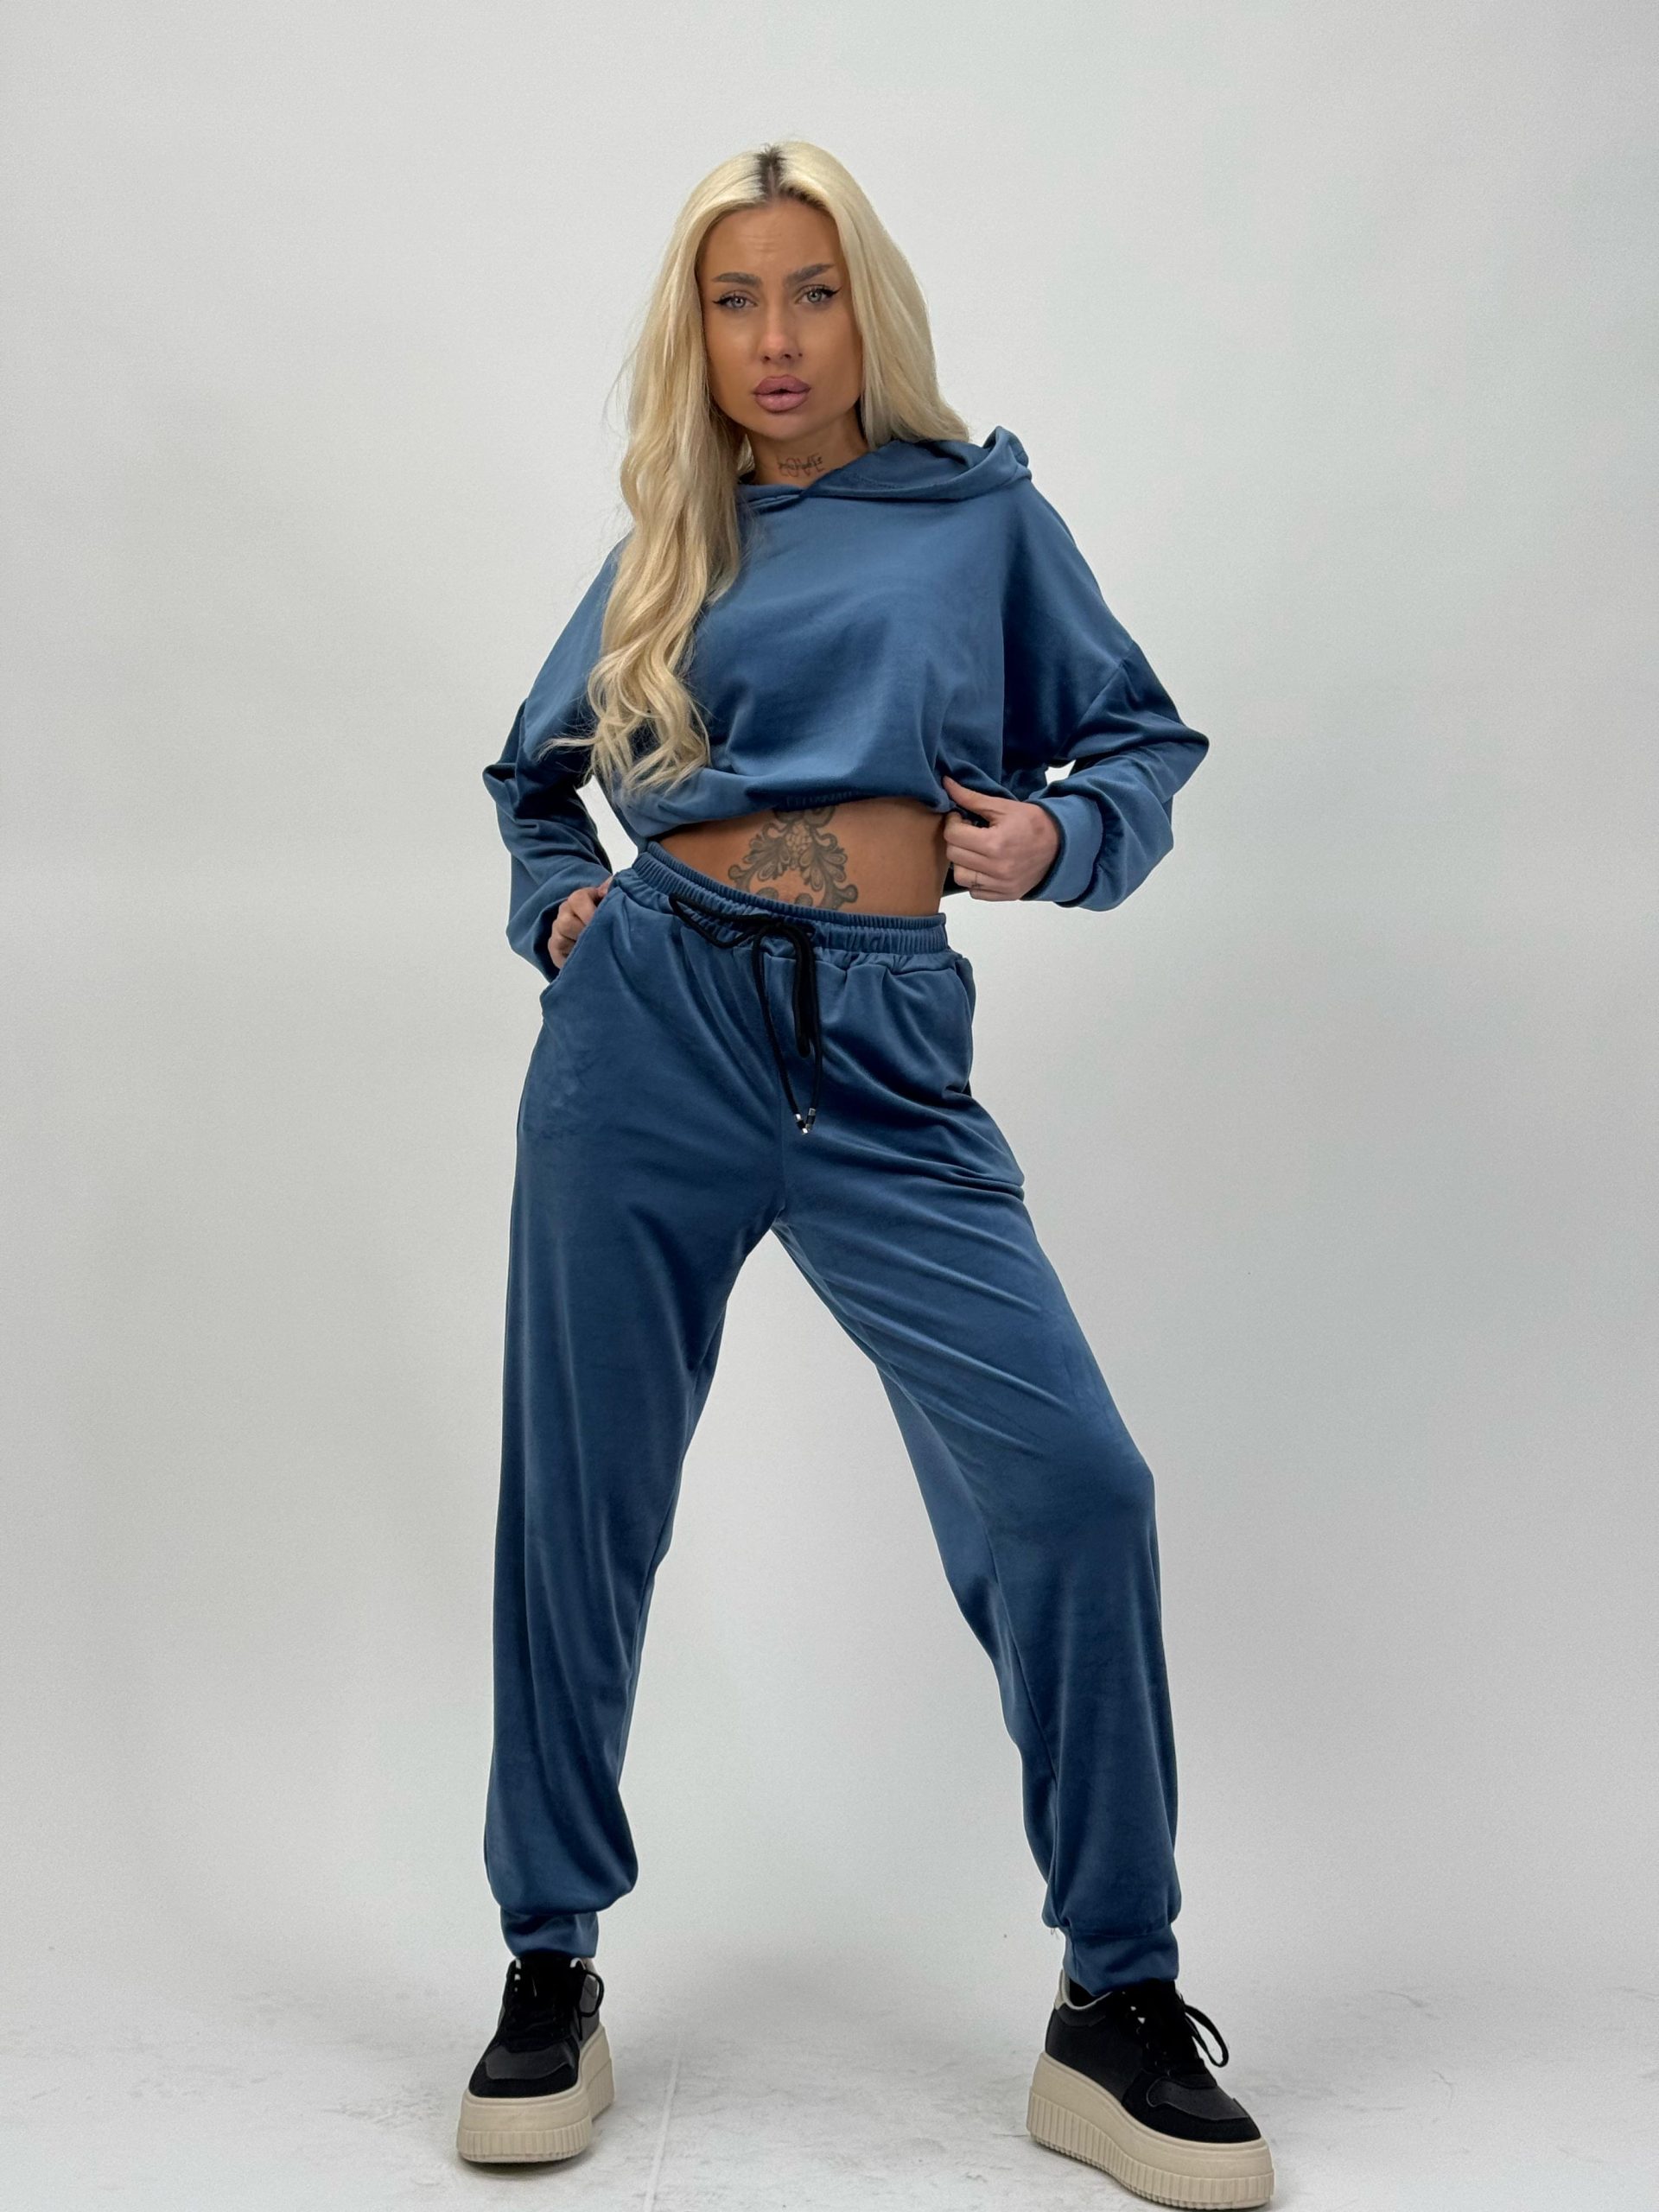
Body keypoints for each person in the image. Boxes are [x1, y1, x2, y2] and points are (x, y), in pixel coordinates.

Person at [456, 139, 1275, 2209]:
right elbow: (533, 774)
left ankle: (1116, 1997)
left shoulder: (978, 515)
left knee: (1074, 1484)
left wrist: (1057, 839)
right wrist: (562, 906)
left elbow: (1139, 741)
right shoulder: (675, 534)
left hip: (889, 1053)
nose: (776, 338)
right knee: (583, 1505)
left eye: (810, 291)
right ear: (696, 330)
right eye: (734, 299)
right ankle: (548, 1955)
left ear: (866, 305)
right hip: (650, 1032)